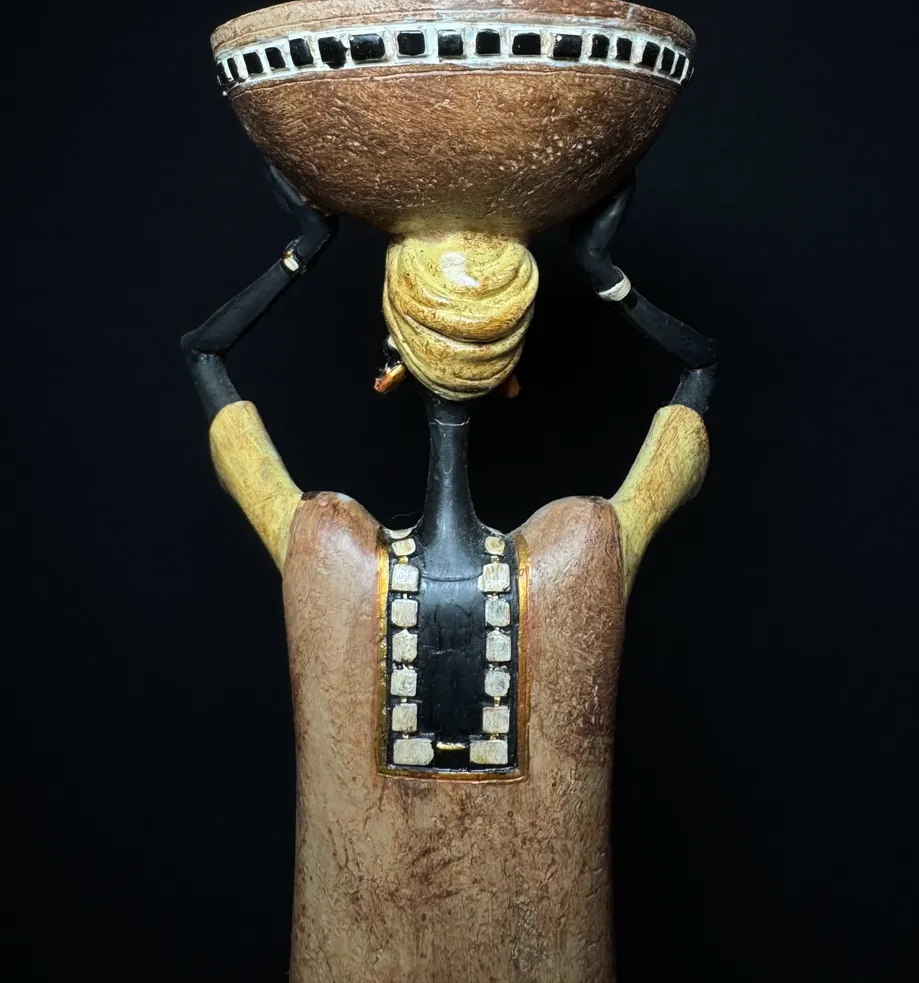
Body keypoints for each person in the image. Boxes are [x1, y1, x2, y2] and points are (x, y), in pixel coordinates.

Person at [181, 166, 719, 982]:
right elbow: (702, 371)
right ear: (512, 368)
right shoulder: (585, 554)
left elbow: (203, 353)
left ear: (391, 357)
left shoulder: (325, 552)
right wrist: (602, 271)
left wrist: (304, 248)